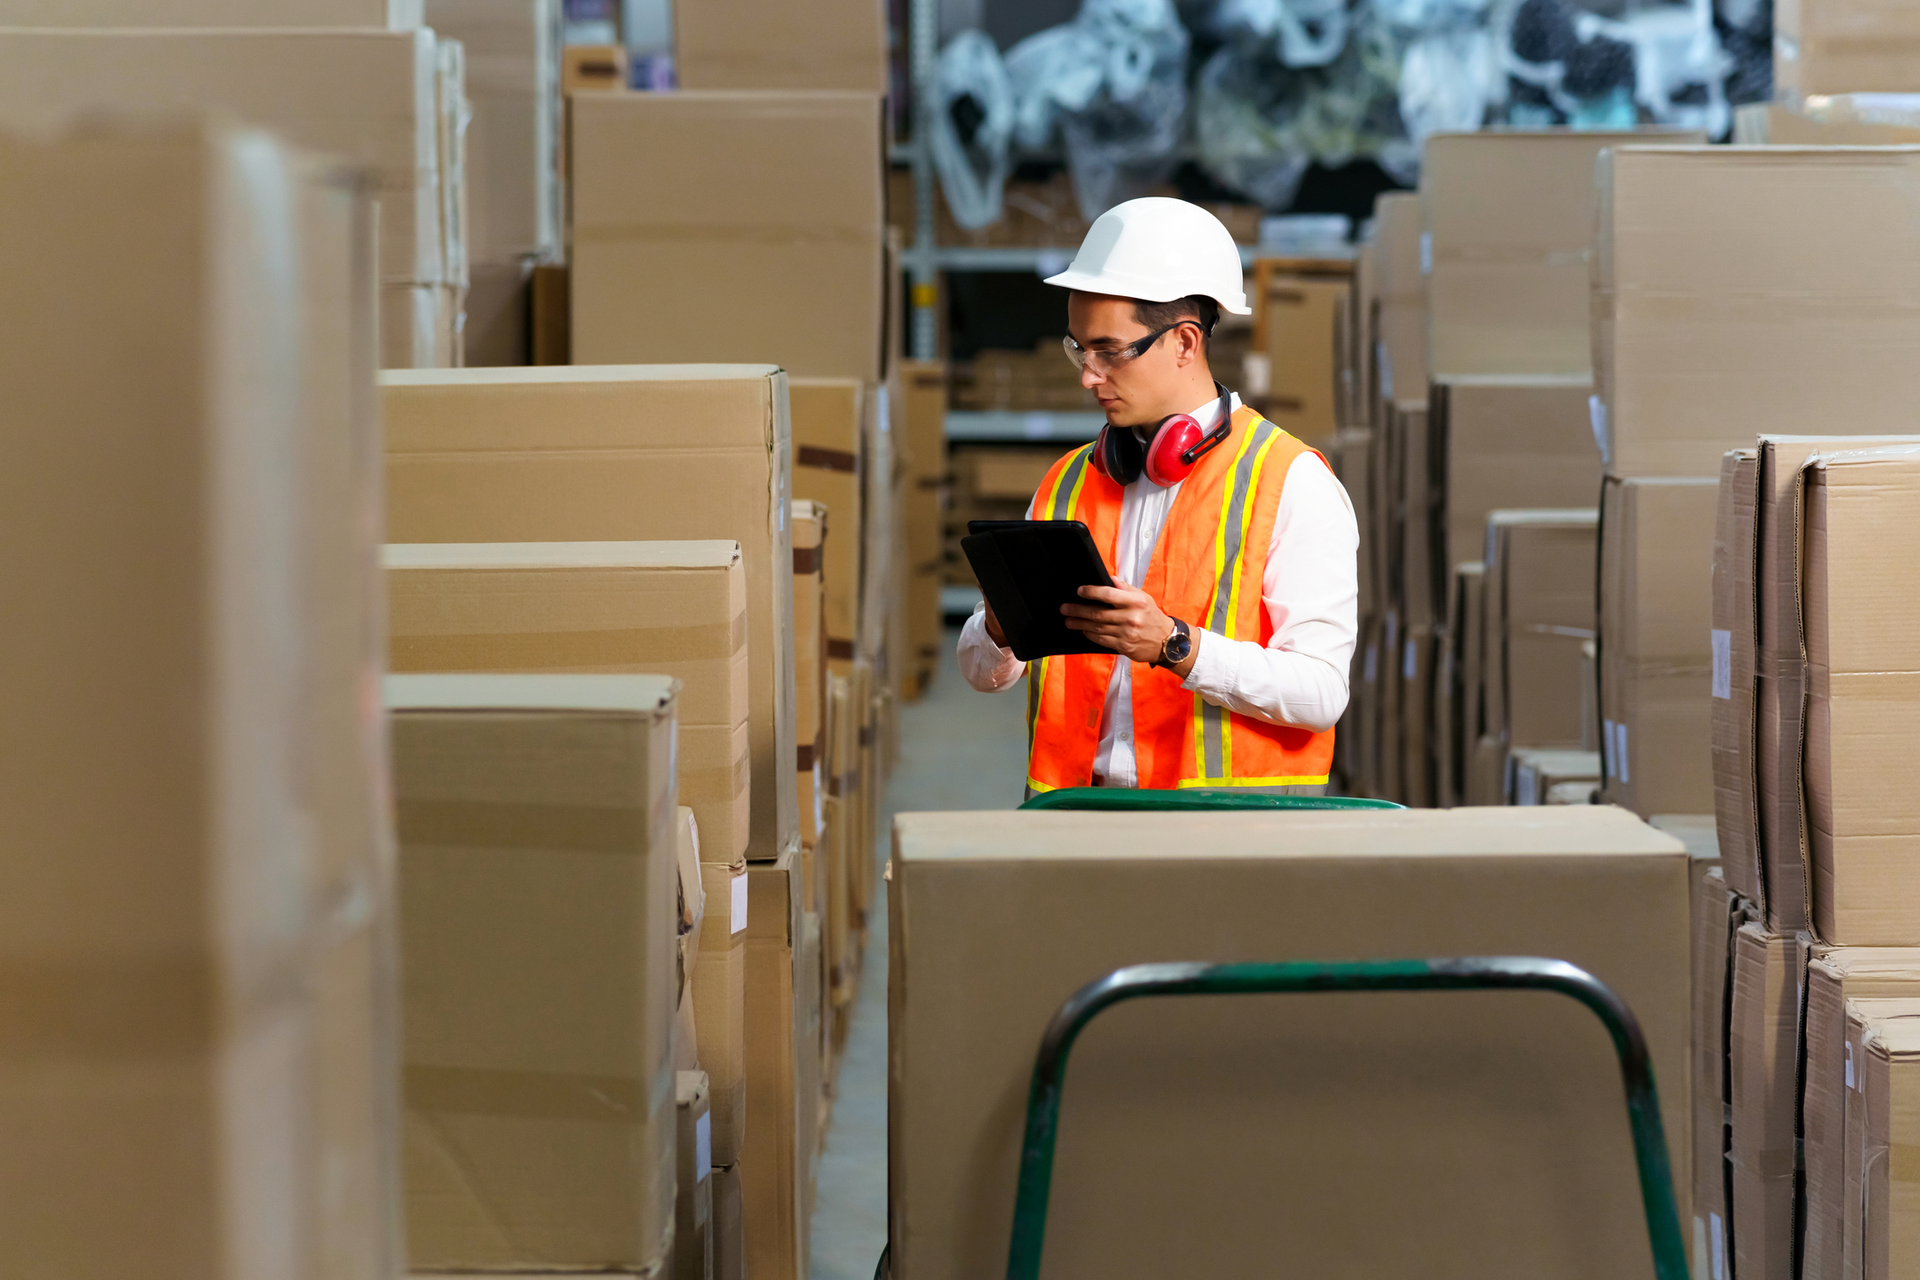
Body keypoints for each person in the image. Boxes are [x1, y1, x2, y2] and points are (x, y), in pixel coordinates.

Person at [956, 196, 1359, 795]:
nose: (1089, 375)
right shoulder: (1069, 480)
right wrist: (998, 628)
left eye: (1110, 351)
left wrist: (1176, 646)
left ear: (1185, 342)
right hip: (1075, 820)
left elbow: (1322, 692)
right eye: (1078, 349)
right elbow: (983, 674)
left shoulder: (1290, 482)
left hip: (1225, 839)